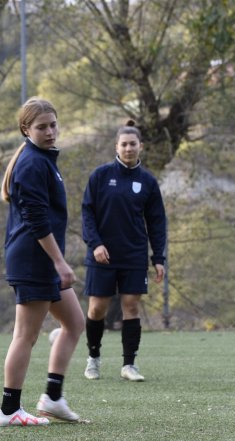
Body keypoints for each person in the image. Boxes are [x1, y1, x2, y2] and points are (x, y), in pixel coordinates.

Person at [0, 97, 85, 427]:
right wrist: (60, 263)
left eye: (53, 125)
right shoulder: (33, 163)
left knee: (75, 323)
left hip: (43, 262)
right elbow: (36, 221)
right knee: (25, 336)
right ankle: (9, 410)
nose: (50, 132)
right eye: (41, 127)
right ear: (25, 129)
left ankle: (53, 397)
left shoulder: (43, 159)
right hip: (34, 261)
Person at [81, 121, 167, 382]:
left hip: (134, 254)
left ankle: (129, 365)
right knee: (97, 309)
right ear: (116, 147)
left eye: (133, 144)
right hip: (102, 255)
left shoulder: (148, 182)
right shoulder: (100, 176)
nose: (128, 148)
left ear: (141, 146)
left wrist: (159, 258)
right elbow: (87, 213)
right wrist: (95, 244)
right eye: (124, 144)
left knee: (131, 306)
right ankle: (93, 359)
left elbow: (157, 221)